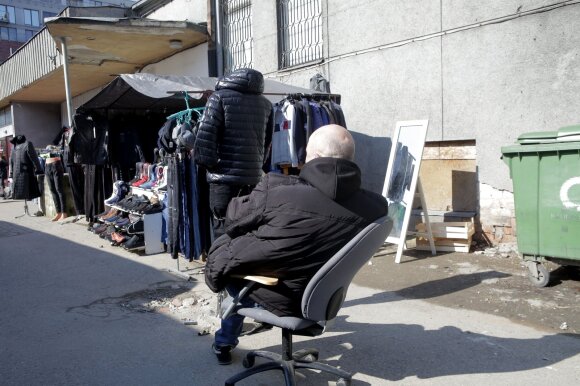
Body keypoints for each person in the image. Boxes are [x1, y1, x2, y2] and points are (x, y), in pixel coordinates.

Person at [204, 124, 388, 365]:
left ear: (314, 157)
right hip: (324, 297)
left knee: (235, 269)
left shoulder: (278, 189)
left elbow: (233, 221)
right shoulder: (376, 207)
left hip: (281, 295)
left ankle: (224, 341)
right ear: (350, 159)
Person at [194, 68, 273, 239]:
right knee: (247, 225)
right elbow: (267, 143)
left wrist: (211, 165)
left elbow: (205, 136)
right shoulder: (266, 104)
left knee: (222, 226)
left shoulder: (219, 98)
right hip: (252, 178)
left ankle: (223, 265)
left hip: (223, 178)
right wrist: (257, 166)